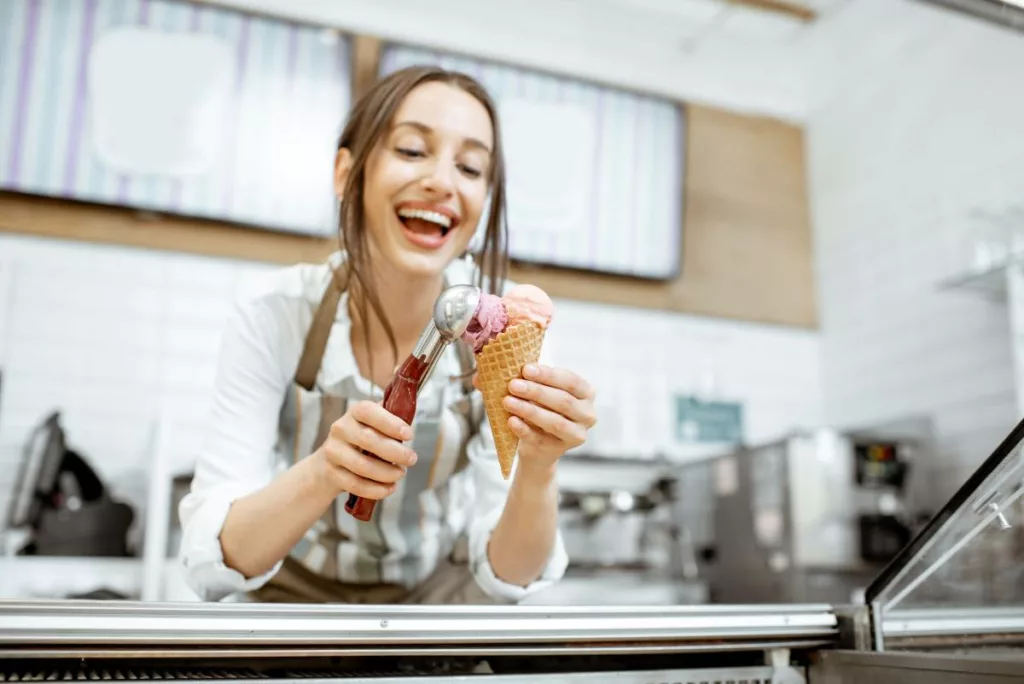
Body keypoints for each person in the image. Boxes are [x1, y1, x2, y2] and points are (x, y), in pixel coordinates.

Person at [178, 65, 598, 604]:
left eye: (470, 167)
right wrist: (326, 470)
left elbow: (511, 576)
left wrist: (539, 467)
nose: (443, 183)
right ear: (345, 173)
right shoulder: (276, 314)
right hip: (292, 606)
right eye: (411, 150)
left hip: (435, 604)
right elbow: (213, 564)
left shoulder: (506, 328)